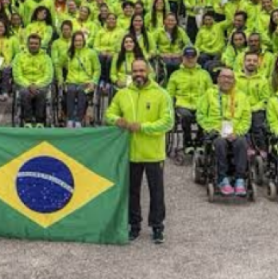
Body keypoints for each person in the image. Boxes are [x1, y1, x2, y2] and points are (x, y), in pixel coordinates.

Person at [105, 59, 174, 244]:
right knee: (132, 192)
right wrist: (116, 120)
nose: (138, 74)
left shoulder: (161, 94)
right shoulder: (122, 94)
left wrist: (143, 127)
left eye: (142, 70)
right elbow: (109, 113)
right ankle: (134, 225)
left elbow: (168, 122)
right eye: (135, 71)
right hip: (130, 153)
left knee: (156, 192)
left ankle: (157, 227)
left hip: (153, 153)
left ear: (149, 72)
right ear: (131, 73)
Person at [196, 68, 252, 196]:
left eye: (230, 77)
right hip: (216, 132)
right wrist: (213, 129)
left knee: (242, 143)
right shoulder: (209, 94)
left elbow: (246, 118)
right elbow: (200, 115)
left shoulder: (242, 96)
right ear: (218, 79)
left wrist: (237, 132)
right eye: (223, 76)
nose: (226, 80)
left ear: (234, 80)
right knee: (220, 143)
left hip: (235, 132)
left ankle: (239, 179)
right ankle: (222, 179)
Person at [166, 47, 213, 154]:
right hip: (182, 104)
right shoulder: (176, 75)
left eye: (193, 56)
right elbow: (169, 93)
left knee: (205, 115)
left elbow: (211, 91)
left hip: (200, 104)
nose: (190, 59)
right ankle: (187, 143)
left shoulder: (204, 74)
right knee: (186, 116)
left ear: (196, 58)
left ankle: (199, 141)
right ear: (183, 58)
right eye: (187, 57)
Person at [57, 31, 101, 128]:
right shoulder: (68, 53)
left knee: (82, 91)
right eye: (76, 41)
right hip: (71, 81)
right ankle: (70, 118)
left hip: (86, 82)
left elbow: (97, 69)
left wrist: (94, 82)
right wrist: (60, 79)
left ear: (84, 41)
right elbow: (58, 65)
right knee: (71, 91)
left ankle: (78, 120)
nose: (78, 43)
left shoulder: (91, 53)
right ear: (73, 42)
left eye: (80, 40)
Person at [12, 34, 54, 127]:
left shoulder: (46, 58)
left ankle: (40, 121)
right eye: (31, 43)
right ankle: (28, 121)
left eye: (36, 43)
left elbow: (48, 75)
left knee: (42, 92)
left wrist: (36, 85)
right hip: (25, 84)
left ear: (40, 45)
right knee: (24, 93)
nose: (33, 45)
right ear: (27, 44)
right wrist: (29, 85)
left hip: (40, 84)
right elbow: (17, 75)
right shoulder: (19, 57)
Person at [235, 52, 271, 153]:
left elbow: (265, 99)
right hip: (238, 109)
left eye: (254, 61)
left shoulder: (263, 80)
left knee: (258, 125)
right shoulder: (235, 78)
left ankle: (262, 151)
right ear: (243, 62)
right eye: (249, 60)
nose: (251, 63)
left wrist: (253, 108)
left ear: (258, 63)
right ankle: (246, 149)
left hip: (257, 110)